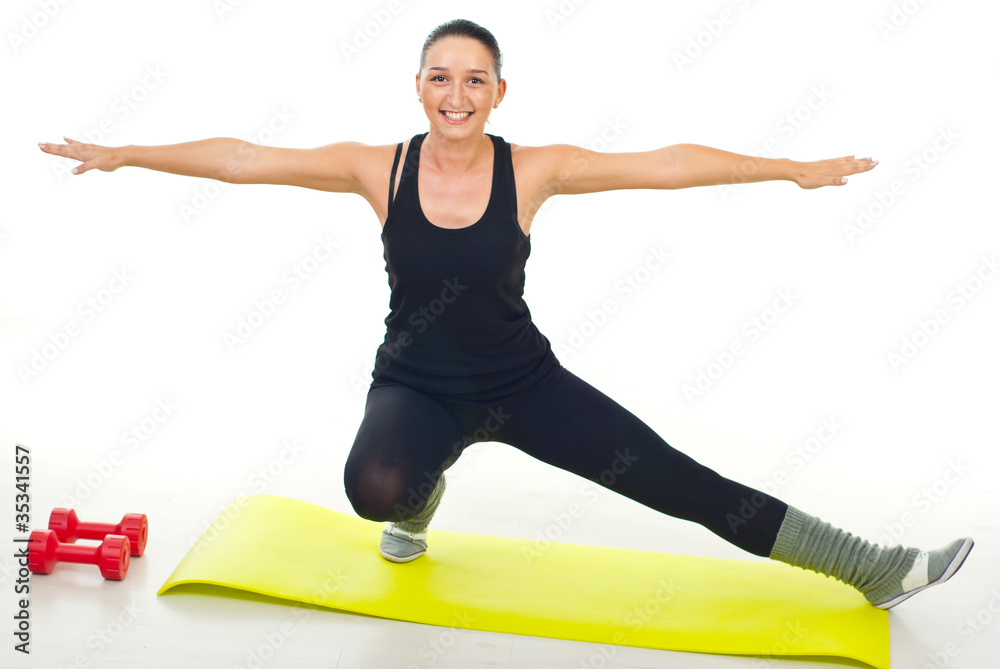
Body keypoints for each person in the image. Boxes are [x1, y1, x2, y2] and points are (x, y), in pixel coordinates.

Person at [39, 18, 972, 610]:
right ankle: (422, 497)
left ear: (498, 91)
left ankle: (873, 565)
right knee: (375, 489)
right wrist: (127, 152)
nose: (456, 95)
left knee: (682, 483)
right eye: (439, 78)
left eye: (474, 79)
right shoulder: (381, 167)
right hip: (415, 389)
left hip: (524, 387)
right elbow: (246, 157)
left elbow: (666, 162)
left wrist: (789, 168)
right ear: (418, 88)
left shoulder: (534, 168)